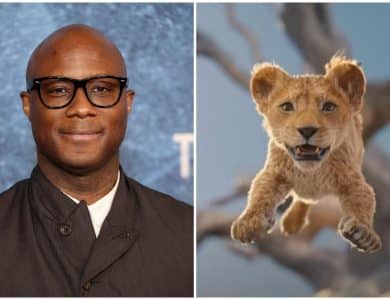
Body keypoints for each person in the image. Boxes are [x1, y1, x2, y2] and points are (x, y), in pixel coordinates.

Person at [0, 24, 193, 296]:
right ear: (28, 105)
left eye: (102, 89)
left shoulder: (186, 232)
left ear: (128, 103)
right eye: (58, 90)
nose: (81, 108)